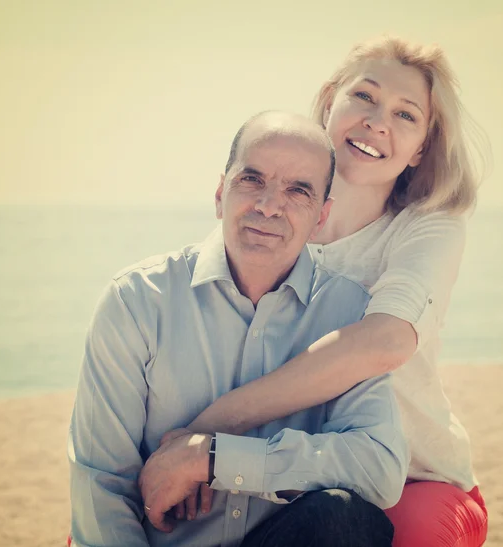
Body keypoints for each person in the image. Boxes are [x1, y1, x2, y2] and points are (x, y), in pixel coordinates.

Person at [179, 37, 490, 547]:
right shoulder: (270, 221)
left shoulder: (428, 229)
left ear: (421, 149)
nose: (377, 122)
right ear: (329, 102)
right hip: (287, 464)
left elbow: (385, 342)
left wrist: (210, 428)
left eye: (406, 115)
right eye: (364, 97)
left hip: (413, 476)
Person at [68, 111, 408, 547]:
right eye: (251, 180)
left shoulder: (349, 312)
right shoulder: (136, 301)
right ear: (219, 193)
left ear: (321, 217)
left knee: (343, 516)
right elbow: (102, 484)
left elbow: (378, 468)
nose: (268, 205)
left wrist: (213, 459)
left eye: (297, 190)